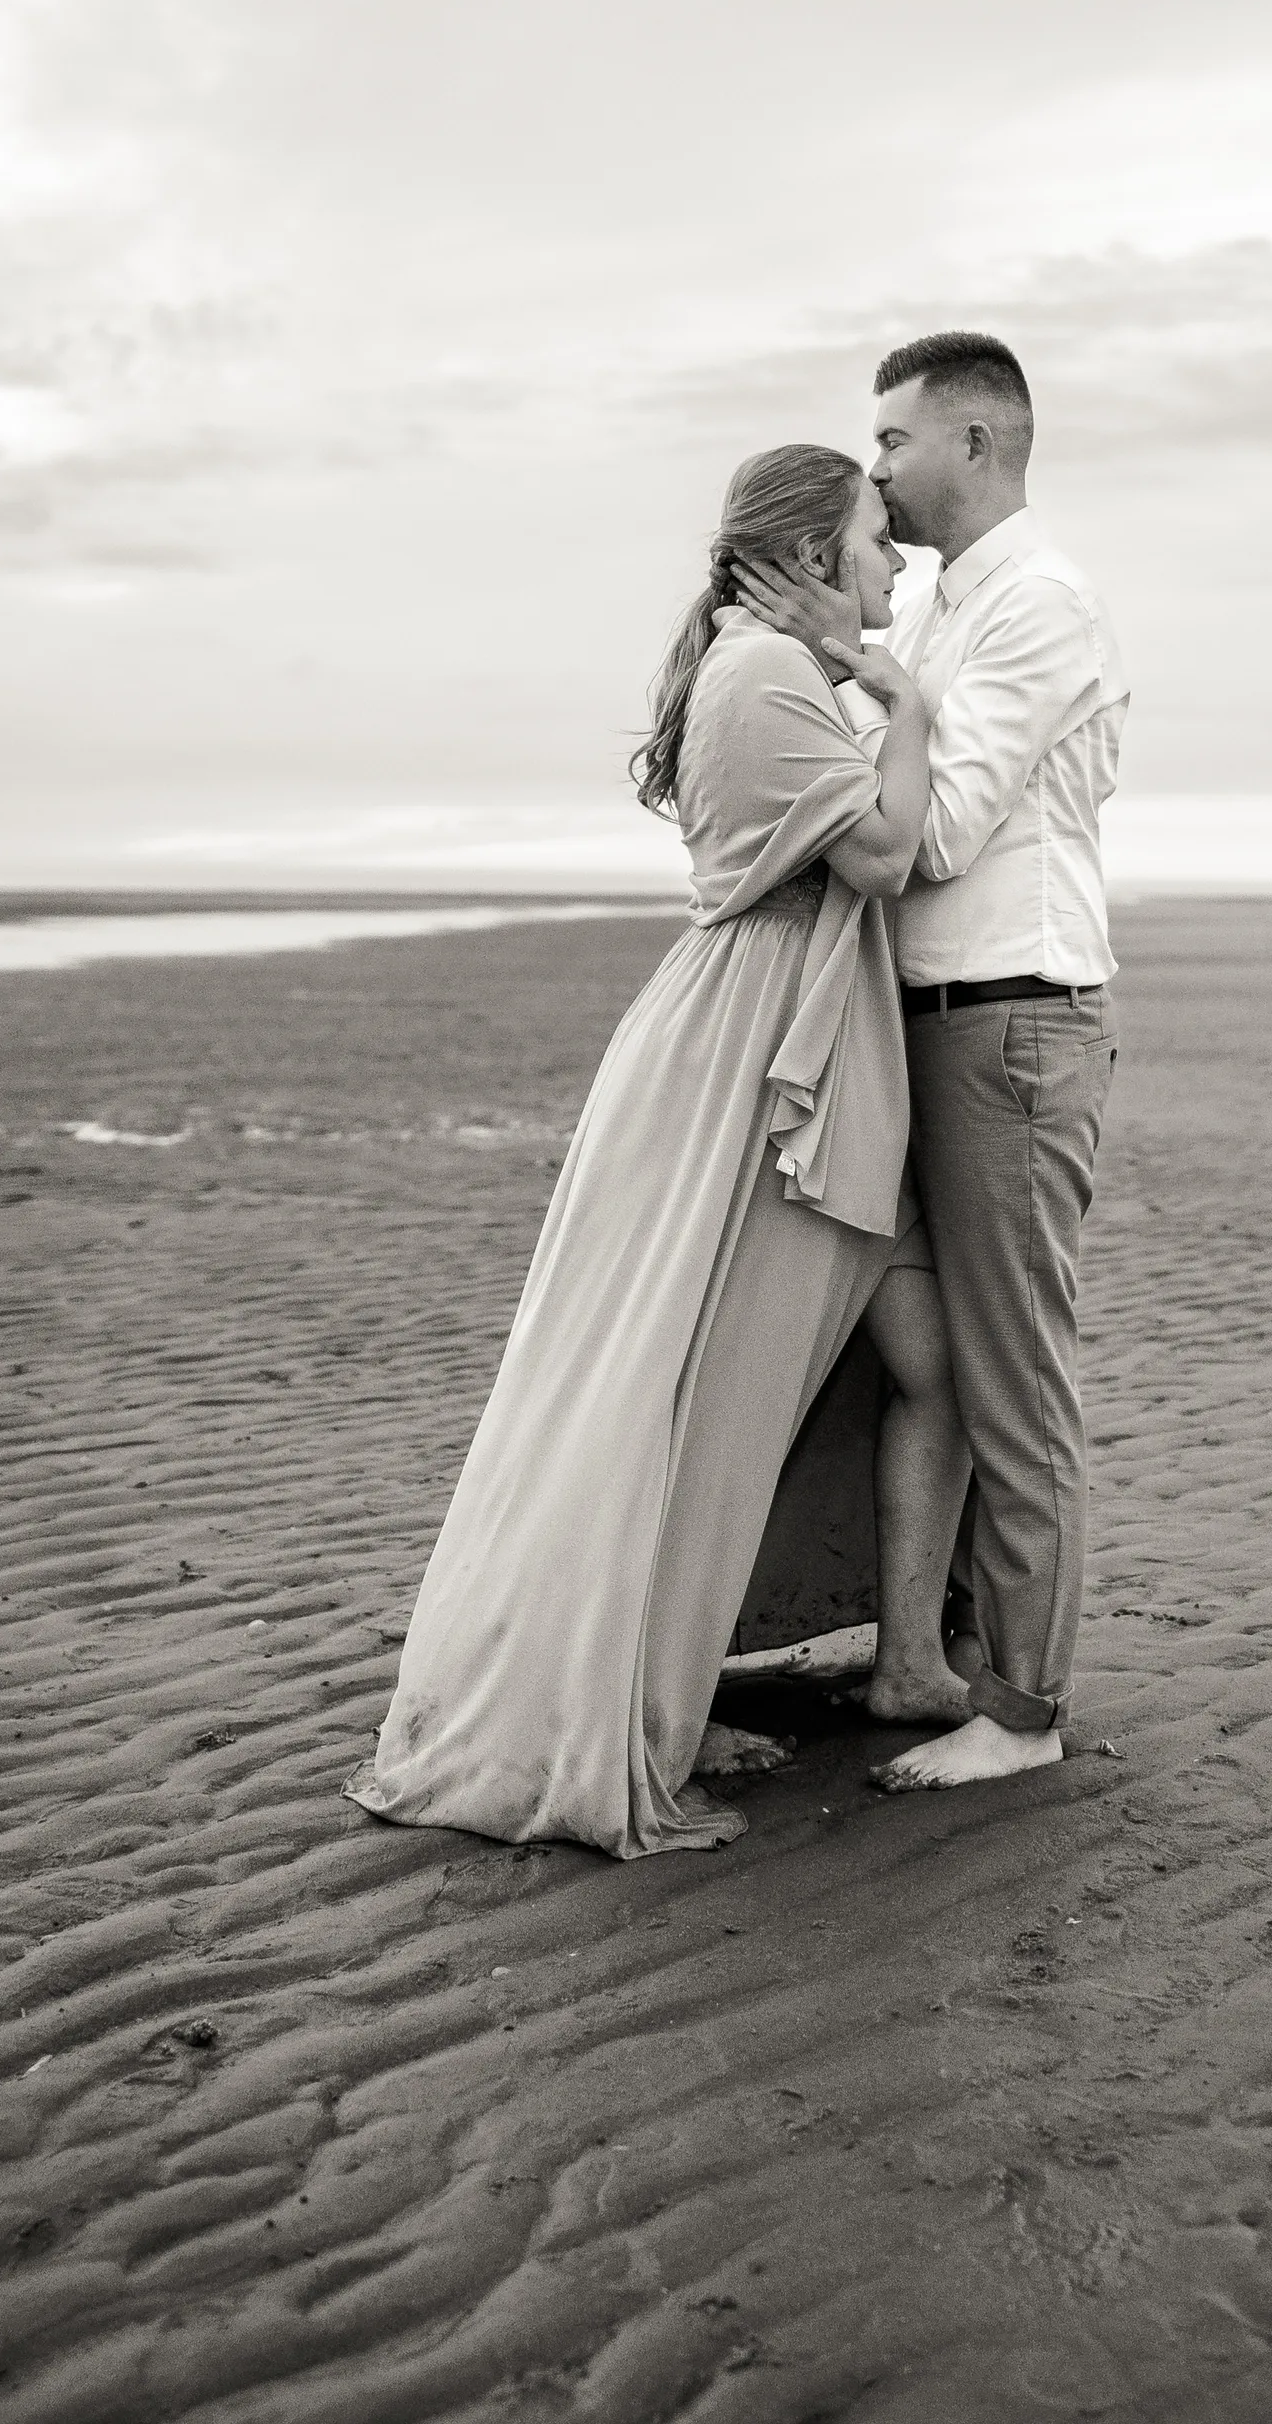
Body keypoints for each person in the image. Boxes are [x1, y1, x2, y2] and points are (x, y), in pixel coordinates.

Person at [346, 444, 964, 1860]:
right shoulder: (766, 674)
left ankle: (875, 1658)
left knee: (895, 1364)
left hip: (786, 1030)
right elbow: (881, 855)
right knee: (687, 1397)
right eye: (875, 537)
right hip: (745, 1057)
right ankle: (624, 1714)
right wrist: (911, 700)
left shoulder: (771, 667)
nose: (896, 561)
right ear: (808, 557)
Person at [732, 334, 1129, 1794]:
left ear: (974, 442)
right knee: (917, 1359)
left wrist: (853, 677)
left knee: (1015, 1378)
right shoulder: (945, 608)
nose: (877, 464)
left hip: (1007, 1024)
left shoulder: (1039, 606)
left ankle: (1024, 1714)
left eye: (894, 438)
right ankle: (929, 1650)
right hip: (917, 1026)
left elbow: (938, 834)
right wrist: (857, 675)